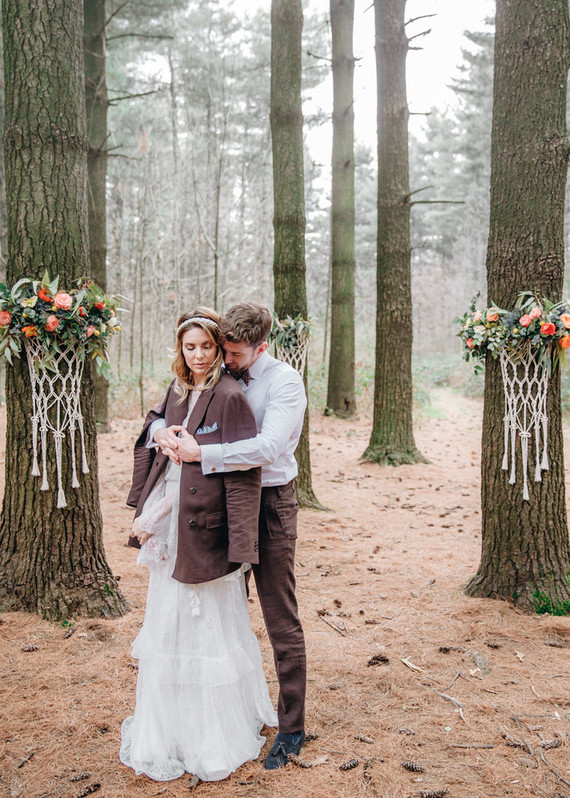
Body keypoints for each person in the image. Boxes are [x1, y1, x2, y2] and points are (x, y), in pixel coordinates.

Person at [120, 307, 277, 783]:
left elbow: (245, 473)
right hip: (171, 529)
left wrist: (238, 541)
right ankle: (170, 730)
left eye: (207, 346)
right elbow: (156, 426)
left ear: (218, 346)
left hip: (207, 532)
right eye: (190, 347)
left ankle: (214, 734)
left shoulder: (230, 396)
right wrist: (158, 432)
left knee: (209, 626)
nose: (200, 355)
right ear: (180, 350)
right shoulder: (177, 388)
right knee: (168, 624)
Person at [152, 301, 307, 769]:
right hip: (221, 505)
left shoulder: (284, 382)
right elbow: (166, 408)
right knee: (224, 612)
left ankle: (292, 726)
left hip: (270, 505)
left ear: (261, 346)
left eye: (236, 354)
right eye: (224, 350)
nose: (227, 360)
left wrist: (203, 452)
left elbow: (268, 447)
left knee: (280, 616)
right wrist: (162, 431)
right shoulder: (219, 374)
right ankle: (235, 711)